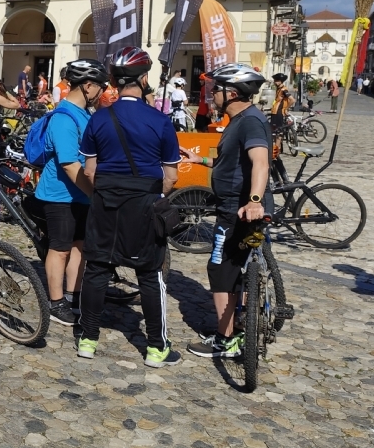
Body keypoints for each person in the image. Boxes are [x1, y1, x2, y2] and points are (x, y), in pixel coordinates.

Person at [77, 47, 181, 367]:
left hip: (105, 201)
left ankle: (88, 340)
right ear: (145, 78)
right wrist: (149, 194)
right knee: (149, 274)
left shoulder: (98, 120)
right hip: (144, 202)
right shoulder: (160, 121)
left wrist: (111, 189)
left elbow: (89, 172)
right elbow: (171, 176)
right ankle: (155, 348)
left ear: (113, 81)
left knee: (96, 269)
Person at [187, 64, 281, 359]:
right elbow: (231, 165)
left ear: (232, 92)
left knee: (219, 269)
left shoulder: (249, 122)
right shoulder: (240, 119)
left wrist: (254, 200)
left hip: (239, 209)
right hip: (238, 205)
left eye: (216, 89)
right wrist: (199, 159)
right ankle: (241, 324)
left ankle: (225, 339)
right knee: (238, 266)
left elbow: (260, 163)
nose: (211, 94)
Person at [34, 59, 108, 327]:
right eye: (101, 86)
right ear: (87, 86)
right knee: (61, 247)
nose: (103, 91)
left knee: (80, 247)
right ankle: (56, 302)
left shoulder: (85, 114)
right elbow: (69, 164)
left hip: (81, 195)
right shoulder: (64, 117)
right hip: (60, 196)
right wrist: (94, 193)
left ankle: (73, 294)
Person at [269, 73, 293, 151]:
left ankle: (276, 150)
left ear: (281, 81)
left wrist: (286, 108)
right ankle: (276, 147)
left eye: (276, 80)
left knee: (278, 131)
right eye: (274, 80)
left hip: (279, 113)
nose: (275, 82)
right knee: (274, 131)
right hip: (274, 112)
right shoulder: (278, 89)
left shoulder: (284, 90)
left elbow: (292, 100)